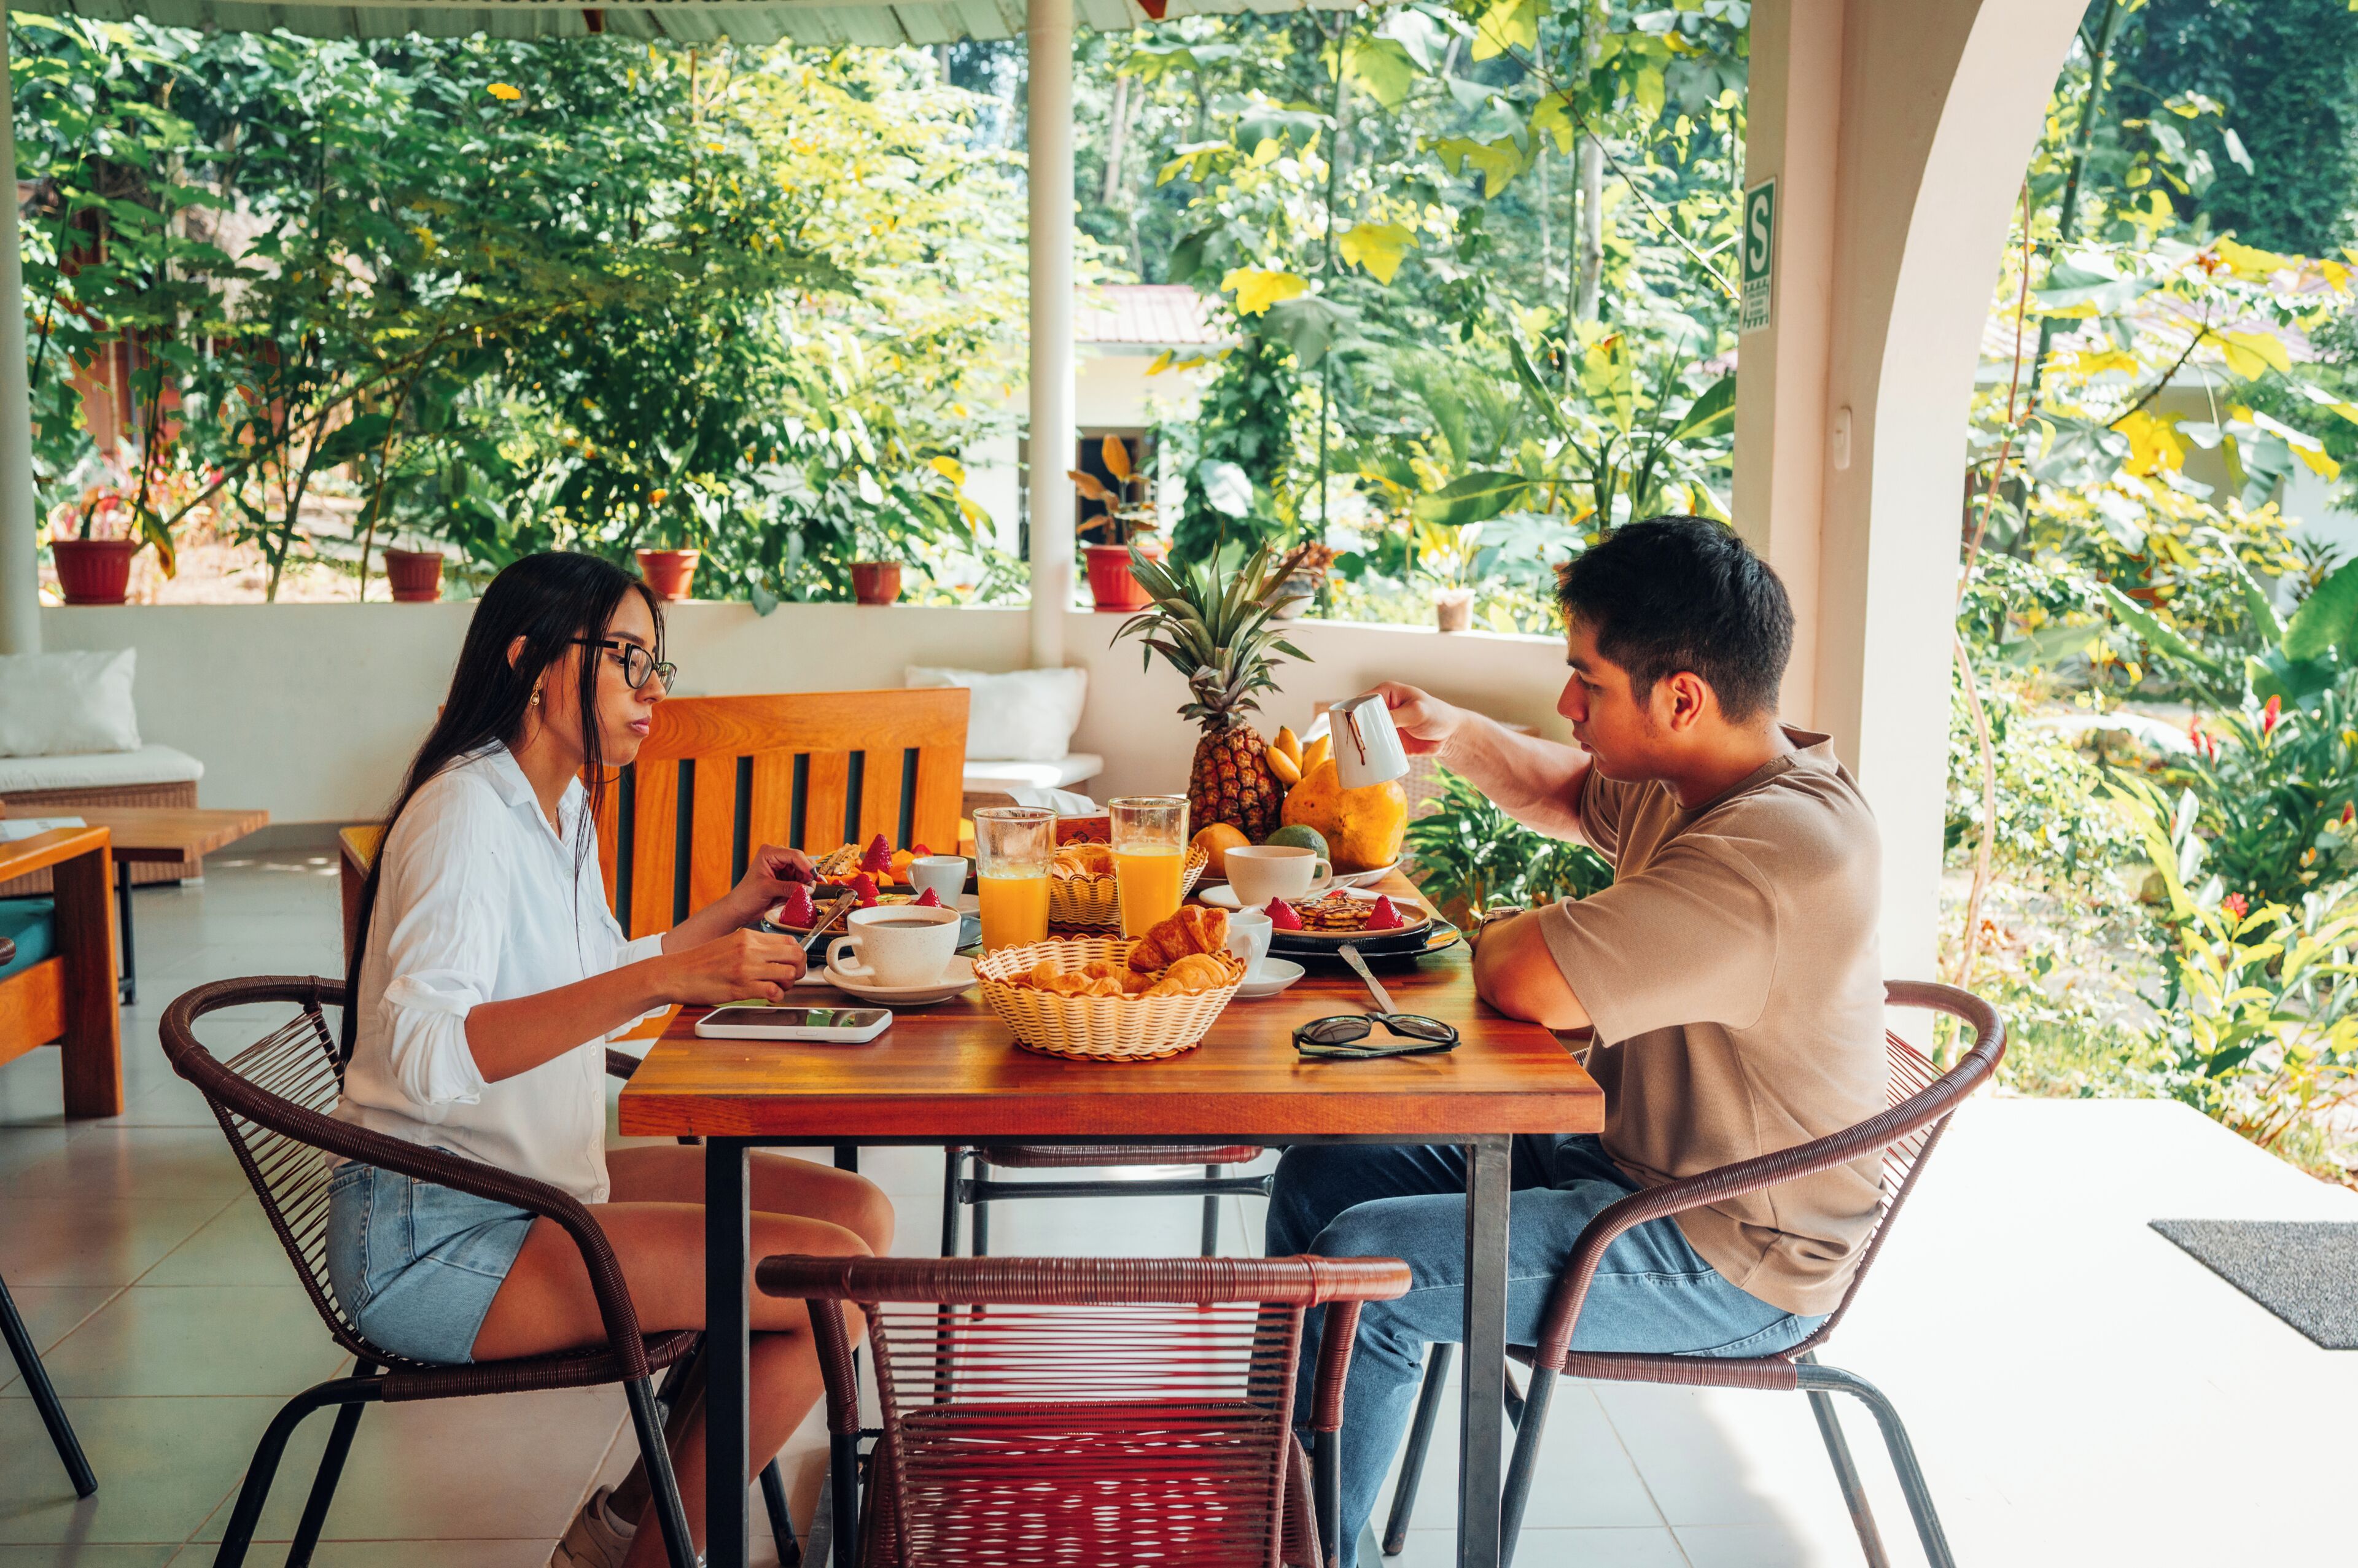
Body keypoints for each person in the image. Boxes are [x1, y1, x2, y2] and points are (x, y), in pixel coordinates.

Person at [1268, 516, 1887, 1564]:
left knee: (1365, 1266)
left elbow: (1521, 977)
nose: (1568, 704)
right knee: (1321, 1179)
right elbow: (1562, 790)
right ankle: (1282, 1506)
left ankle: (1313, 1554)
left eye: (1587, 681)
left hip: (1725, 1246)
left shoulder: (1777, 852)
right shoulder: (1699, 776)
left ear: (1680, 697)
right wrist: (1452, 731)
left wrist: (1522, 929)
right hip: (1624, 1165)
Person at [327, 552, 894, 1568]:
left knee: (860, 1222)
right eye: (627, 658)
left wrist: (725, 917)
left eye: (657, 662)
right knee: (830, 1284)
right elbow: (420, 1051)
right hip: (439, 1231)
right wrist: (666, 980)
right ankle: (655, 1555)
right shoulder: (463, 815)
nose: (652, 689)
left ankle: (626, 1529)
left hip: (536, 1184)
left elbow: (591, 975)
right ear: (534, 663)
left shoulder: (559, 806)